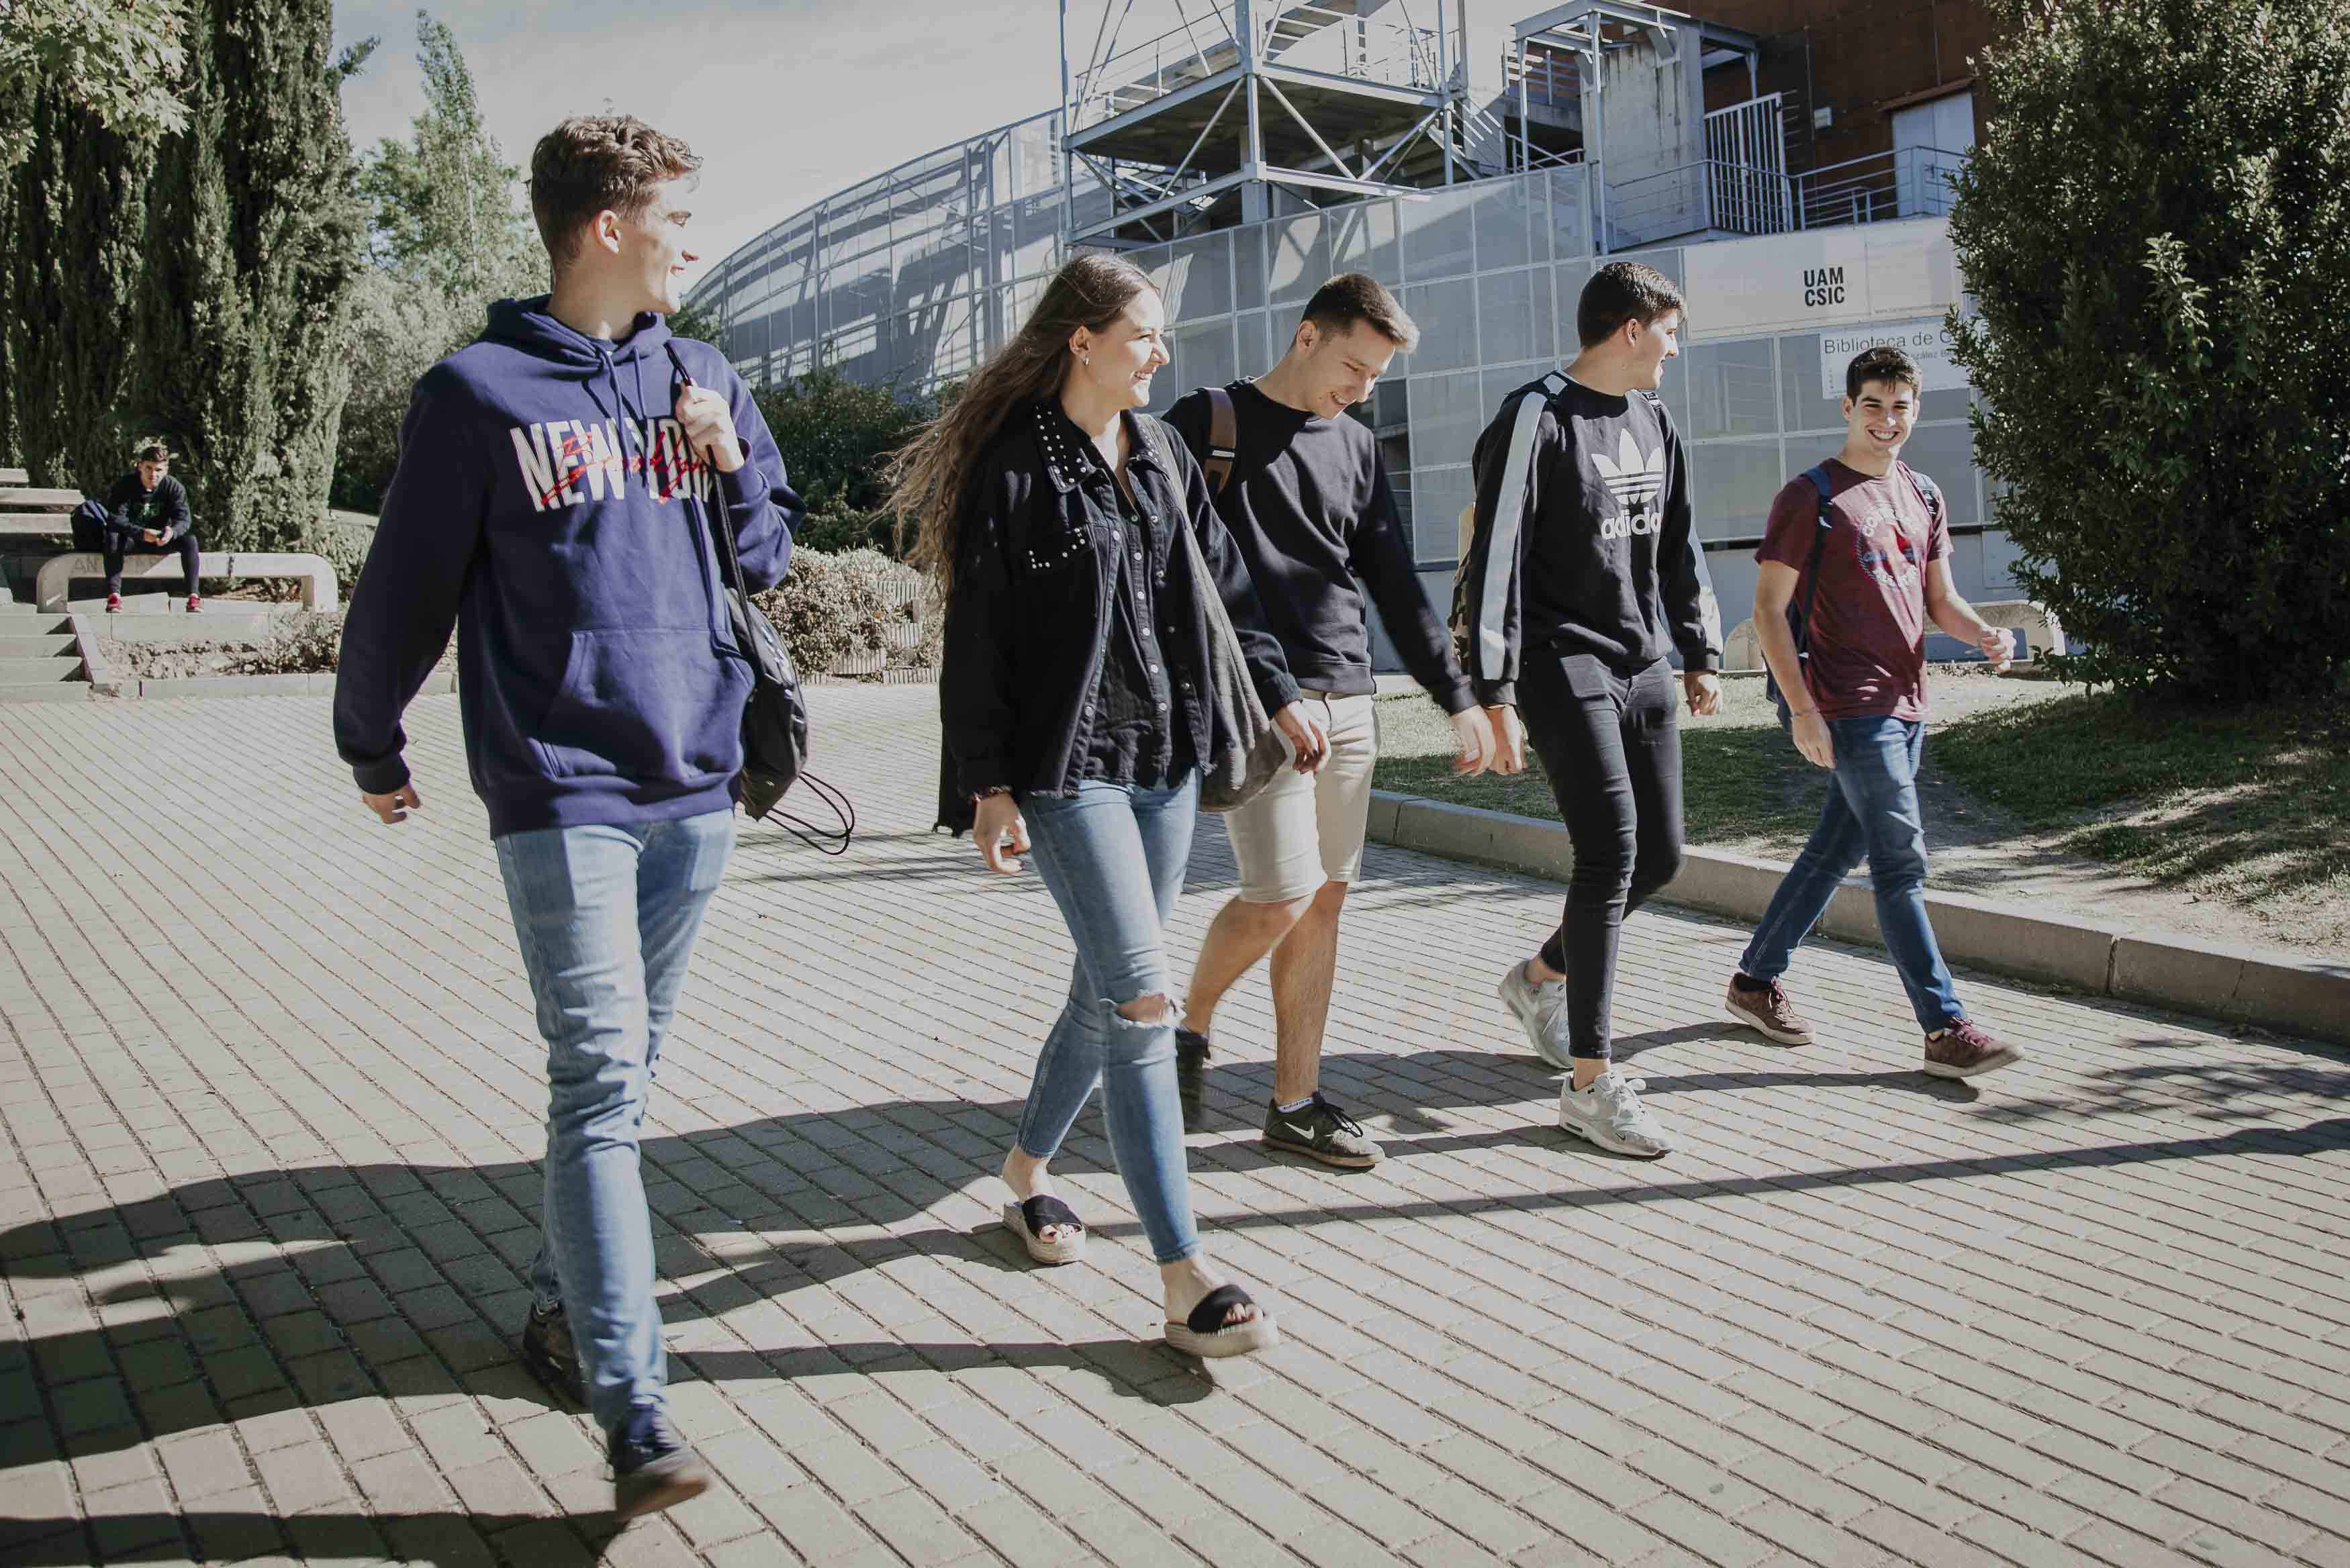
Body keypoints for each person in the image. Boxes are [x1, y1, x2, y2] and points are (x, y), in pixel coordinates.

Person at [332, 115, 800, 1520]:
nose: (693, 246)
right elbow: (405, 585)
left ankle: (557, 1305)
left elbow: (767, 555)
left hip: (696, 788)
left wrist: (725, 461)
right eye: (677, 219)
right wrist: (371, 735)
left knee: (629, 1073)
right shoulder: (476, 396)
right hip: (562, 793)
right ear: (607, 227)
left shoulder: (701, 374)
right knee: (598, 1076)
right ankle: (635, 1405)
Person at [895, 252, 1327, 1359]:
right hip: (1066, 766)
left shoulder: (1166, 452)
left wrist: (1278, 693)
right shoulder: (1012, 470)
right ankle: (1186, 1278)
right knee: (1142, 1002)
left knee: (1105, 988)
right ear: (1081, 340)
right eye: (1144, 333)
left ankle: (1025, 1174)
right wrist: (987, 787)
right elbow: (978, 643)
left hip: (1166, 758)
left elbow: (1227, 587)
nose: (1160, 352)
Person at [1163, 274, 1494, 1168]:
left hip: (1350, 700)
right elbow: (1176, 565)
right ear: (1307, 336)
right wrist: (1270, 688)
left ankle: (1295, 1100)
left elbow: (1390, 581)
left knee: (1325, 903)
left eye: (1377, 375)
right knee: (1279, 896)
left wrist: (1456, 696)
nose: (1363, 389)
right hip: (1260, 702)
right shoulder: (1208, 422)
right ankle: (1185, 1026)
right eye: (1354, 365)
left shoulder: (1353, 447)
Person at [1456, 260, 1724, 1158]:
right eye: (1670, 333)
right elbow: (1493, 559)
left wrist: (1697, 648)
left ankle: (1538, 978)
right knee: (1608, 850)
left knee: (1661, 856)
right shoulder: (1537, 415)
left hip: (1641, 659)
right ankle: (1590, 1081)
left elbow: (1677, 540)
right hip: (1558, 661)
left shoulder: (1654, 417)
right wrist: (1492, 692)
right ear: (1632, 328)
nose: (1674, 352)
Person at [1725, 344, 2022, 1077]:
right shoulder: (1812, 495)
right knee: (1899, 860)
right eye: (1872, 405)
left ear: (1913, 409)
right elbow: (1766, 610)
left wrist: (1980, 631)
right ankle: (1943, 1026)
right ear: (1847, 408)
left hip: (1907, 701)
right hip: (1848, 705)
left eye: (1899, 407)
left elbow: (1938, 602)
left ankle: (1753, 981)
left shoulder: (1922, 493)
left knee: (1833, 848)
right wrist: (1800, 708)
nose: (1886, 420)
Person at [100, 444, 202, 612]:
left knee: (190, 540)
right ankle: (114, 597)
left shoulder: (173, 487)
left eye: (159, 470)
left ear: (166, 470)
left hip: (159, 540)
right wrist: (141, 533)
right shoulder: (125, 485)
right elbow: (115, 519)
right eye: (149, 468)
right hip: (131, 539)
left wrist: (172, 532)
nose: (153, 474)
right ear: (140, 466)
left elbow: (184, 519)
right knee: (113, 536)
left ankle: (194, 597)